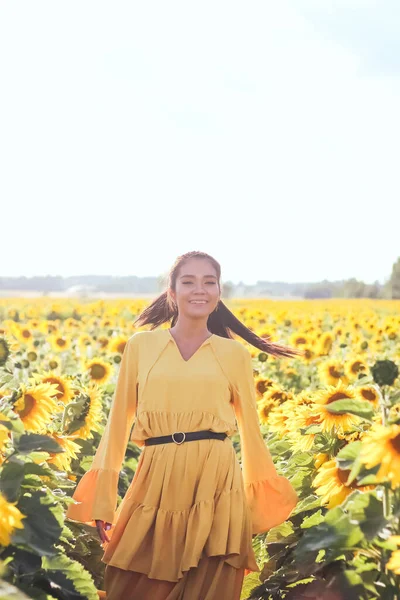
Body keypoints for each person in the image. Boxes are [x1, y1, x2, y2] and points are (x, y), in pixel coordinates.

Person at [66, 251, 301, 600]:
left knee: (210, 584)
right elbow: (118, 421)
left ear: (219, 293)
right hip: (155, 477)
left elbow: (251, 431)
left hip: (217, 481)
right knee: (132, 584)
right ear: (172, 293)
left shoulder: (234, 354)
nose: (199, 290)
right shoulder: (141, 346)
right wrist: (103, 496)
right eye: (188, 282)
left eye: (209, 282)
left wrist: (255, 502)